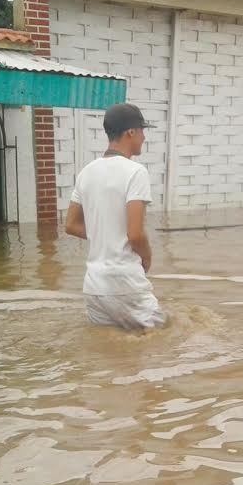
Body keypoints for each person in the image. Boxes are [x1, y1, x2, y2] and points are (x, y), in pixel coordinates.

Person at [65, 103, 166, 330]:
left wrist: (106, 235)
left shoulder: (86, 172)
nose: (144, 136)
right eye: (142, 130)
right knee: (166, 337)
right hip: (126, 281)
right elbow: (135, 234)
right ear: (131, 132)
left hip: (93, 286)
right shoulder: (135, 172)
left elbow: (70, 225)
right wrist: (147, 258)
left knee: (109, 352)